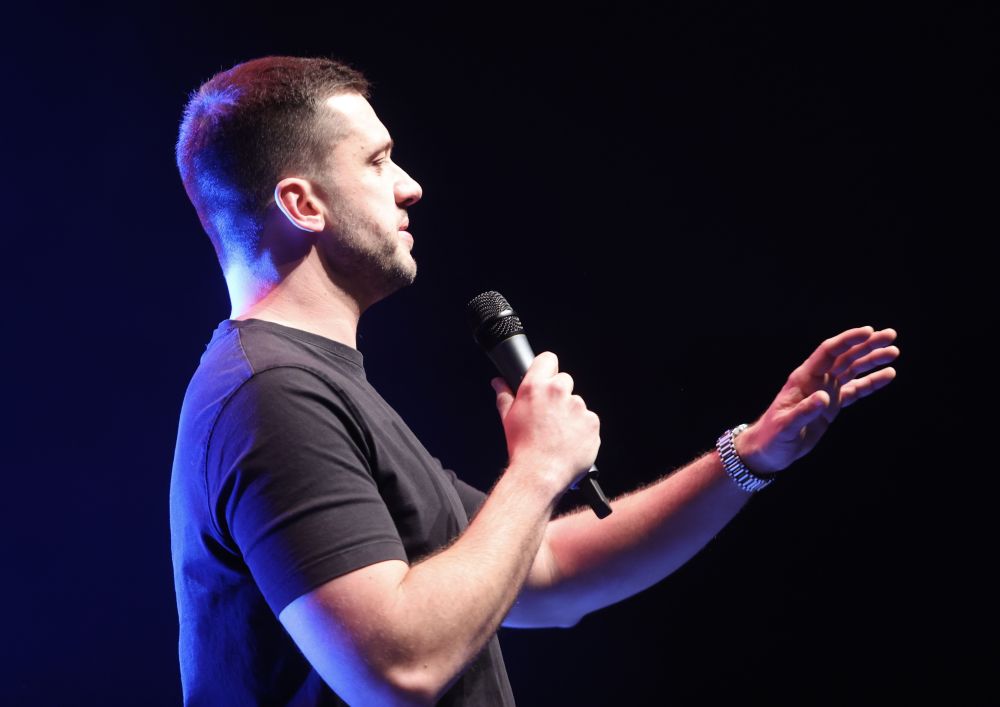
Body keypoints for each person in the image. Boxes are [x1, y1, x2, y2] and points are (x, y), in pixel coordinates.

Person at [170, 55, 900, 706]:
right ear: (303, 204)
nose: (410, 186)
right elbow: (397, 671)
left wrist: (749, 456)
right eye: (377, 161)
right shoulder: (271, 395)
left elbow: (546, 569)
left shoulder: (311, 385)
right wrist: (539, 468)